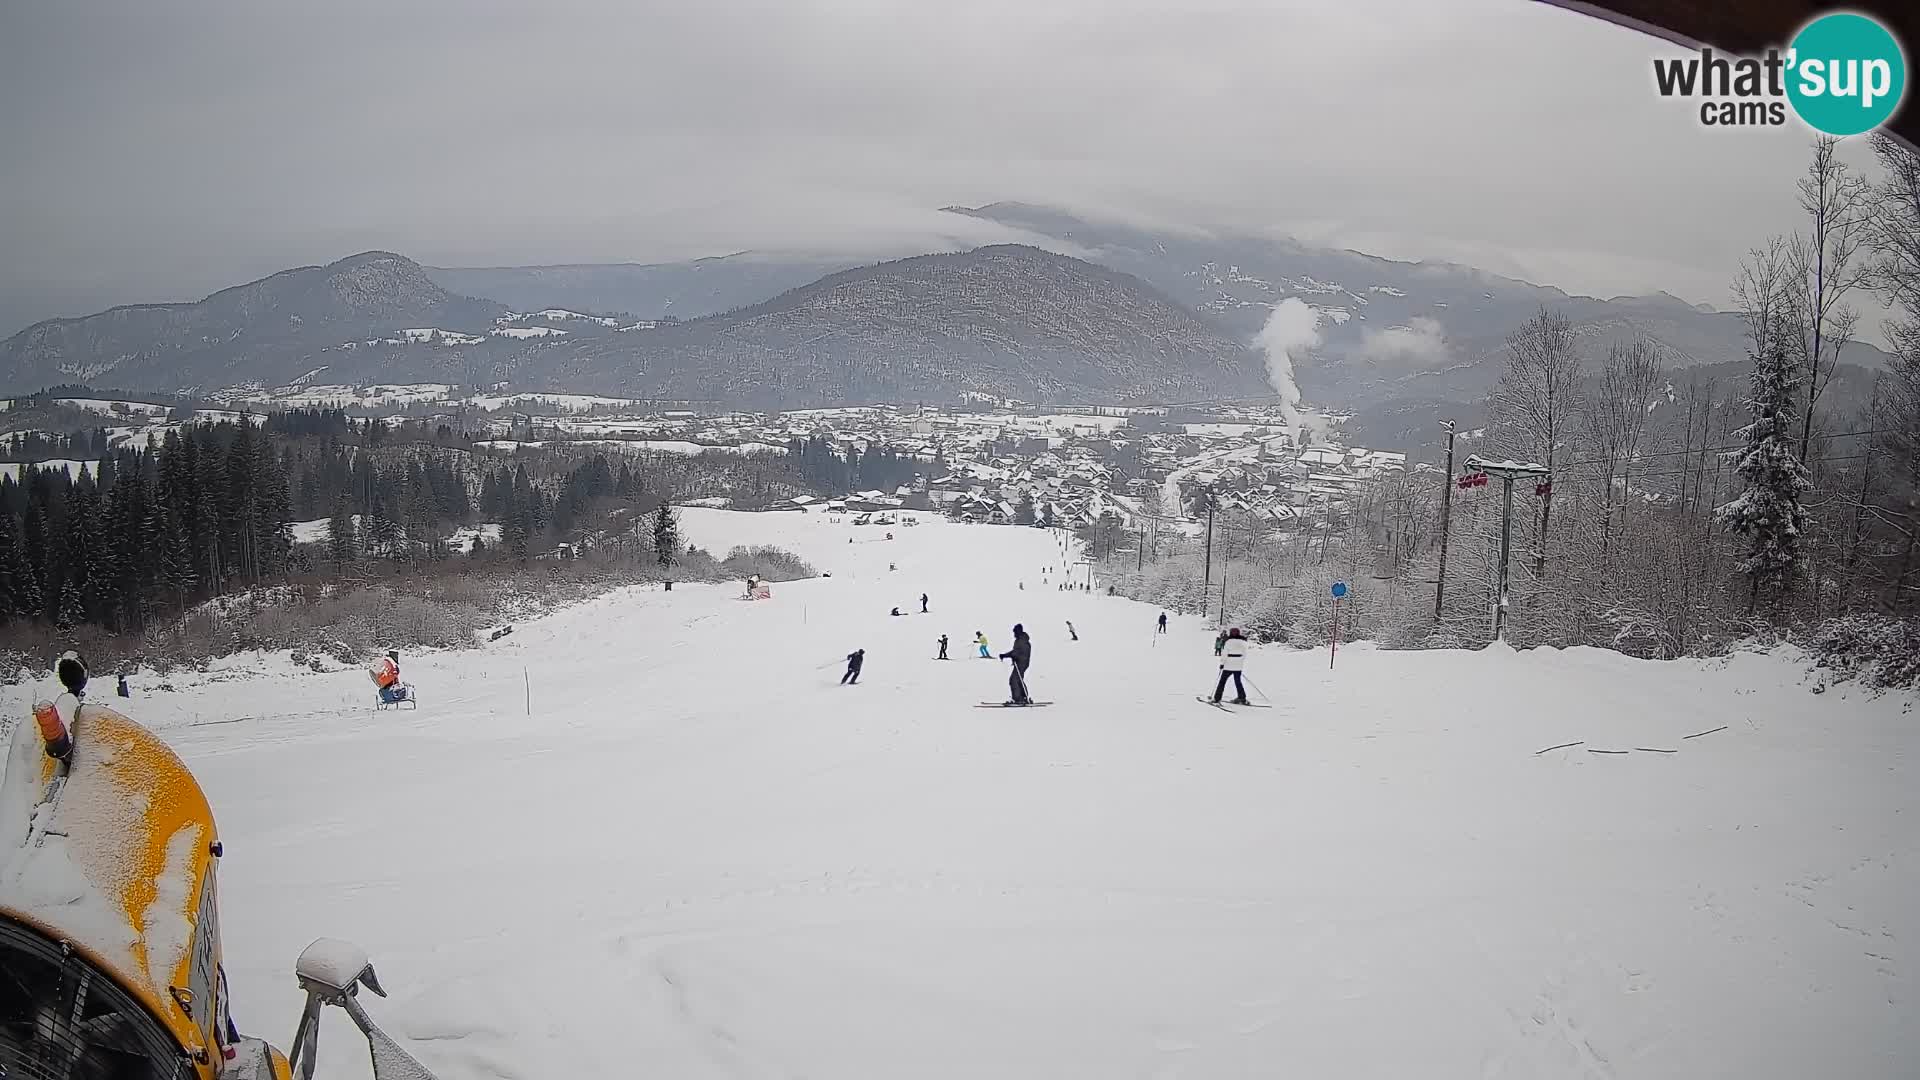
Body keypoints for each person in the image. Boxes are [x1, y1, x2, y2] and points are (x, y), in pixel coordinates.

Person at [1212, 627, 1250, 705]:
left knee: (1222, 682)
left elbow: (1224, 654)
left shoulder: (1228, 642)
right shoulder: (1243, 642)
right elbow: (1245, 654)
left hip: (1228, 666)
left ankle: (1217, 699)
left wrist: (1222, 664)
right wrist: (1239, 662)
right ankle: (1242, 698)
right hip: (1238, 666)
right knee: (1238, 682)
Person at [999, 624, 1033, 705]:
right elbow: (1015, 652)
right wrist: (1006, 655)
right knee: (1018, 680)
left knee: (1013, 680)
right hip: (1019, 663)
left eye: (1015, 632)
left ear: (1019, 631)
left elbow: (1019, 652)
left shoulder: (1022, 641)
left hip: (1022, 663)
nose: (1014, 633)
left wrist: (1010, 656)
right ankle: (1024, 697)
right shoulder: (1019, 640)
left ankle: (1018, 699)